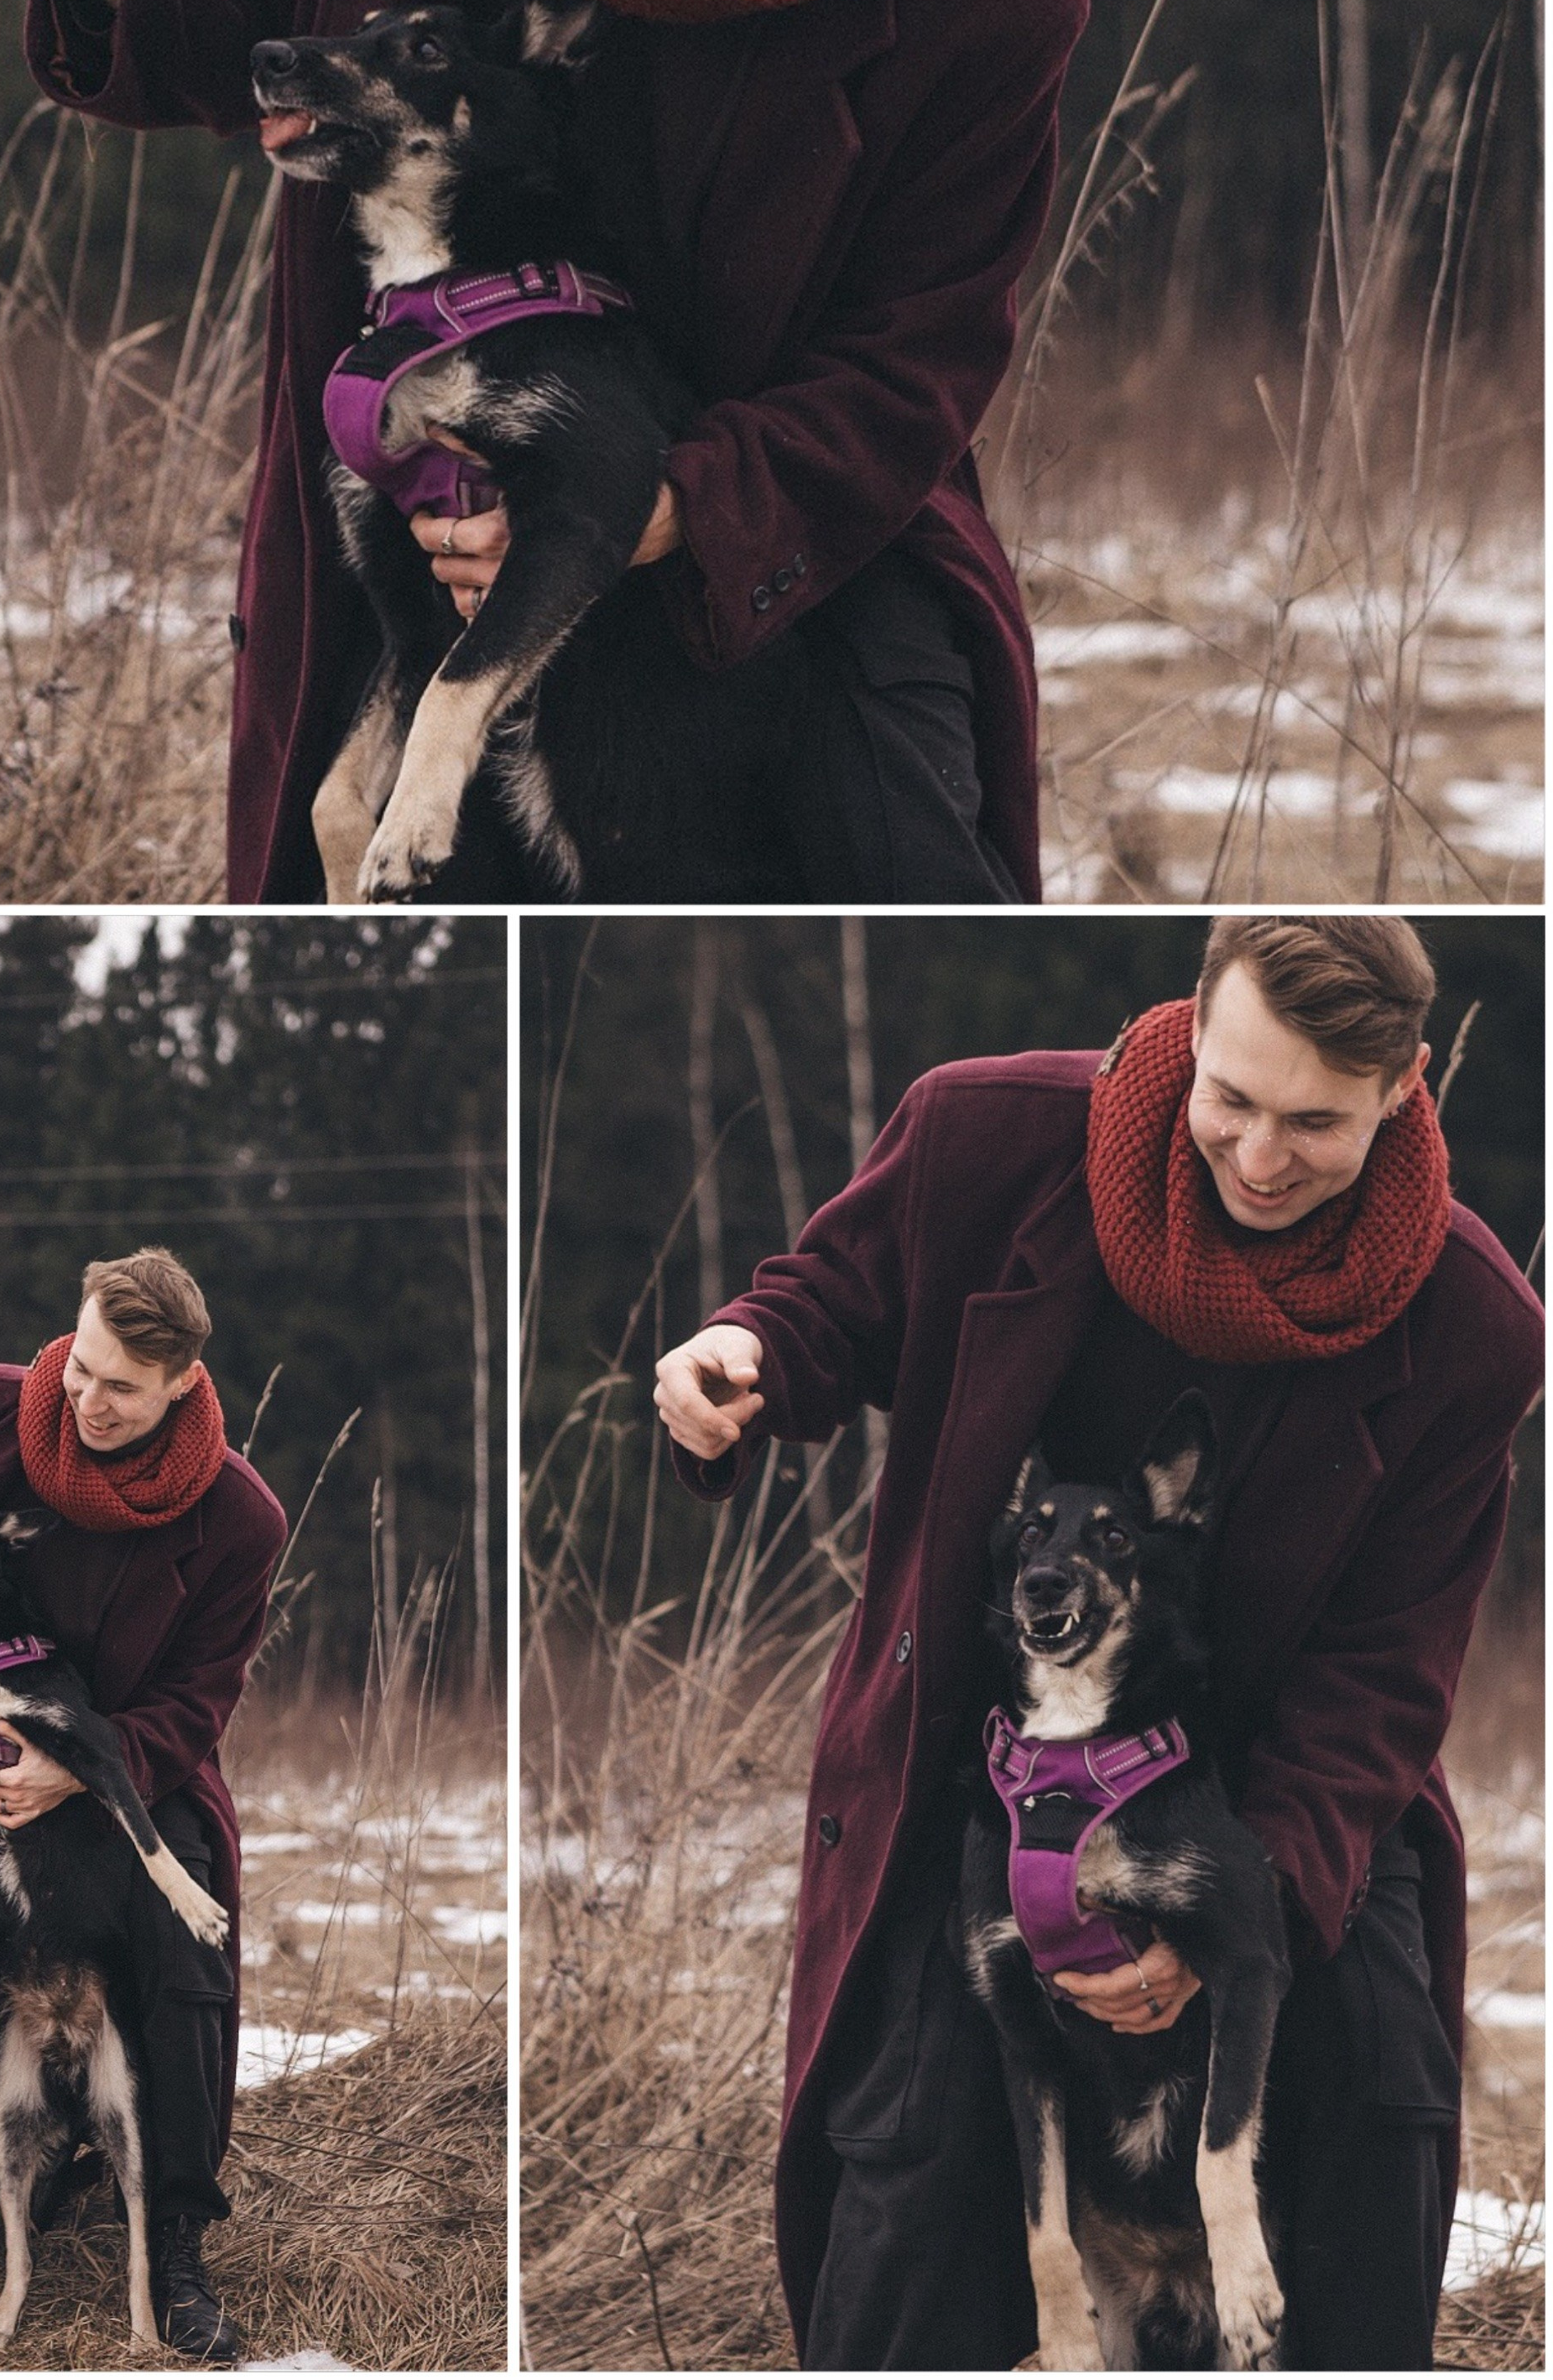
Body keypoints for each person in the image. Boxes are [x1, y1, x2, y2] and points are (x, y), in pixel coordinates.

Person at [0, 0, 1089, 904]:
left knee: (893, 903)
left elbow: (907, 372)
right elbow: (254, 23)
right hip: (422, 519)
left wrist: (647, 511)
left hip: (782, 559)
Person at [654, 916, 1541, 2370]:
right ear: (1190, 1027)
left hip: (1288, 1795)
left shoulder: (1473, 1325)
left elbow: (1387, 1675)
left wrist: (1244, 1904)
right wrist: (742, 1354)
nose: (1261, 1157)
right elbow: (830, 1305)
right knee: (918, 2167)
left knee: (1375, 2118)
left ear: (1405, 1086)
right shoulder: (985, 1135)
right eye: (1232, 1099)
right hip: (986, 1768)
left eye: (1317, 1123)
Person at [0, 1248, 286, 2368]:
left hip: (127, 1774)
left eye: (123, 1387)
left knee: (182, 1960)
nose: (90, 1401)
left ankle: (175, 2243)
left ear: (183, 1383)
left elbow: (200, 1699)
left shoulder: (239, 1517)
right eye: (81, 1367)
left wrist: (77, 1771)